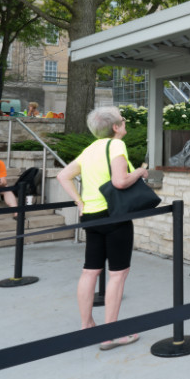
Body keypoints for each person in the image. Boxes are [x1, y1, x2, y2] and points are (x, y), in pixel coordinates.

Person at [56, 106, 147, 350]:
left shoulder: (89, 149)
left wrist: (79, 201)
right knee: (117, 274)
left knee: (90, 271)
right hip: (114, 215)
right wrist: (140, 171)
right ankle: (110, 334)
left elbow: (63, 176)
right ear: (115, 127)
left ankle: (87, 326)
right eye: (123, 120)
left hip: (91, 216)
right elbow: (120, 181)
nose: (125, 123)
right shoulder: (116, 145)